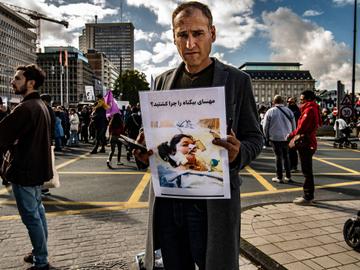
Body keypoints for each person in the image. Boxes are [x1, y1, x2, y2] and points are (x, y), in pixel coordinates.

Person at [134, 2, 263, 269]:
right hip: (170, 203)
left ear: (212, 34)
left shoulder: (237, 81)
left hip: (211, 208)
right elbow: (156, 141)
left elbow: (255, 137)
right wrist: (142, 151)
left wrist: (240, 153)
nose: (190, 42)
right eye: (182, 35)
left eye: (198, 33)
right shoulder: (161, 81)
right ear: (174, 38)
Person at [0, 64, 53, 270]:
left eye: (18, 78)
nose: (12, 81)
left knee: (32, 218)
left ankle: (41, 260)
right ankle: (39, 252)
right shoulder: (41, 105)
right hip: (38, 169)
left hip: (25, 170)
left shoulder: (26, 108)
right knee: (38, 214)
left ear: (31, 83)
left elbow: (2, 135)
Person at [288, 90, 321, 205]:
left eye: (302, 100)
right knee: (307, 170)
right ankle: (308, 195)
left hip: (306, 142)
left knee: (307, 171)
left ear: (308, 99)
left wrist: (290, 135)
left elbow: (301, 128)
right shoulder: (313, 108)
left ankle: (308, 197)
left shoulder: (309, 109)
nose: (300, 102)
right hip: (309, 141)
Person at [263, 95, 296, 183]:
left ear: (273, 102)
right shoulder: (289, 111)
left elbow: (265, 126)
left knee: (278, 156)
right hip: (287, 137)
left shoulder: (270, 111)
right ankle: (288, 176)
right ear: (283, 102)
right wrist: (292, 135)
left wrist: (266, 136)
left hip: (275, 137)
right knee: (286, 156)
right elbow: (294, 125)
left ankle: (279, 177)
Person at [287, 97, 301, 172]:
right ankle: (290, 165)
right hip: (288, 132)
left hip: (294, 132)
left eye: (290, 102)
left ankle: (293, 166)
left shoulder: (296, 111)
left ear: (294, 102)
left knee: (292, 150)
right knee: (289, 150)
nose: (289, 103)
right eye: (288, 102)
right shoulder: (288, 110)